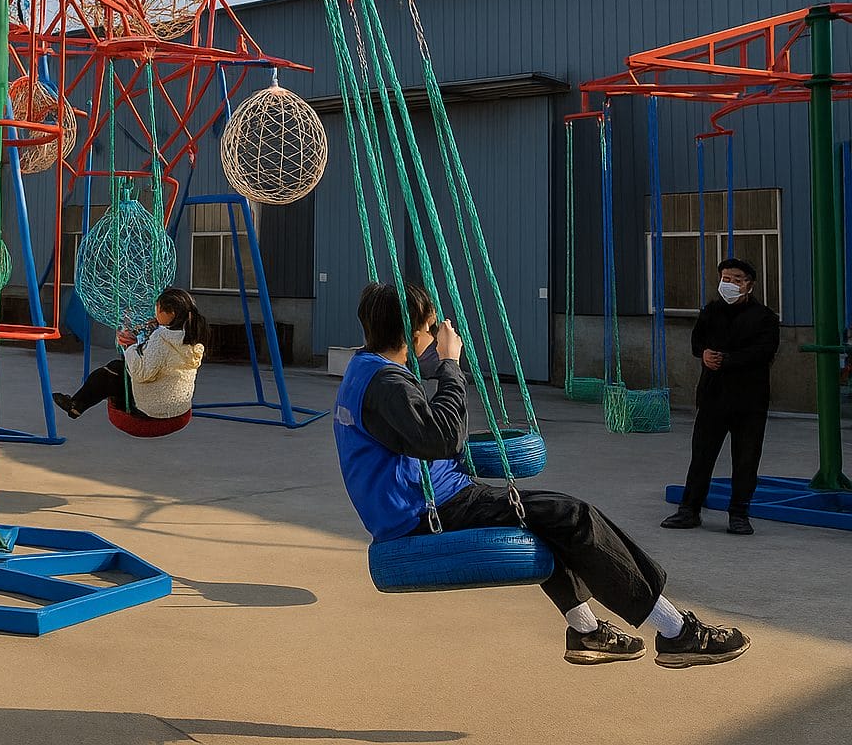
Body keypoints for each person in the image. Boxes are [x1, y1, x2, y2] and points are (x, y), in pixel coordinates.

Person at [335, 281, 750, 668]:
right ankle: (677, 631)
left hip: (426, 499)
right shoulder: (389, 382)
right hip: (430, 510)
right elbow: (443, 439)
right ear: (412, 330)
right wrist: (448, 364)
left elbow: (412, 436)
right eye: (429, 325)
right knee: (575, 516)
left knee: (549, 520)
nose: (435, 332)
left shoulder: (363, 369)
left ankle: (587, 633)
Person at [663, 258, 781, 535]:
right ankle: (689, 510)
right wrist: (704, 354)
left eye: (736, 279)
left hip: (749, 400)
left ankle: (739, 513)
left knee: (746, 459)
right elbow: (697, 343)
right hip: (713, 396)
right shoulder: (711, 312)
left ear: (749, 285)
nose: (729, 284)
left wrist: (727, 360)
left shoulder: (765, 318)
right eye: (725, 278)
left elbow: (764, 352)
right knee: (702, 455)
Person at [52, 287, 207, 421]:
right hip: (177, 406)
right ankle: (77, 405)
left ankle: (76, 405)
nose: (155, 313)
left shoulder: (161, 339)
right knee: (115, 366)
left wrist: (129, 347)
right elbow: (162, 360)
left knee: (107, 377)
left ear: (171, 313)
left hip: (155, 411)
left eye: (158, 309)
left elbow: (142, 373)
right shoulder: (190, 336)